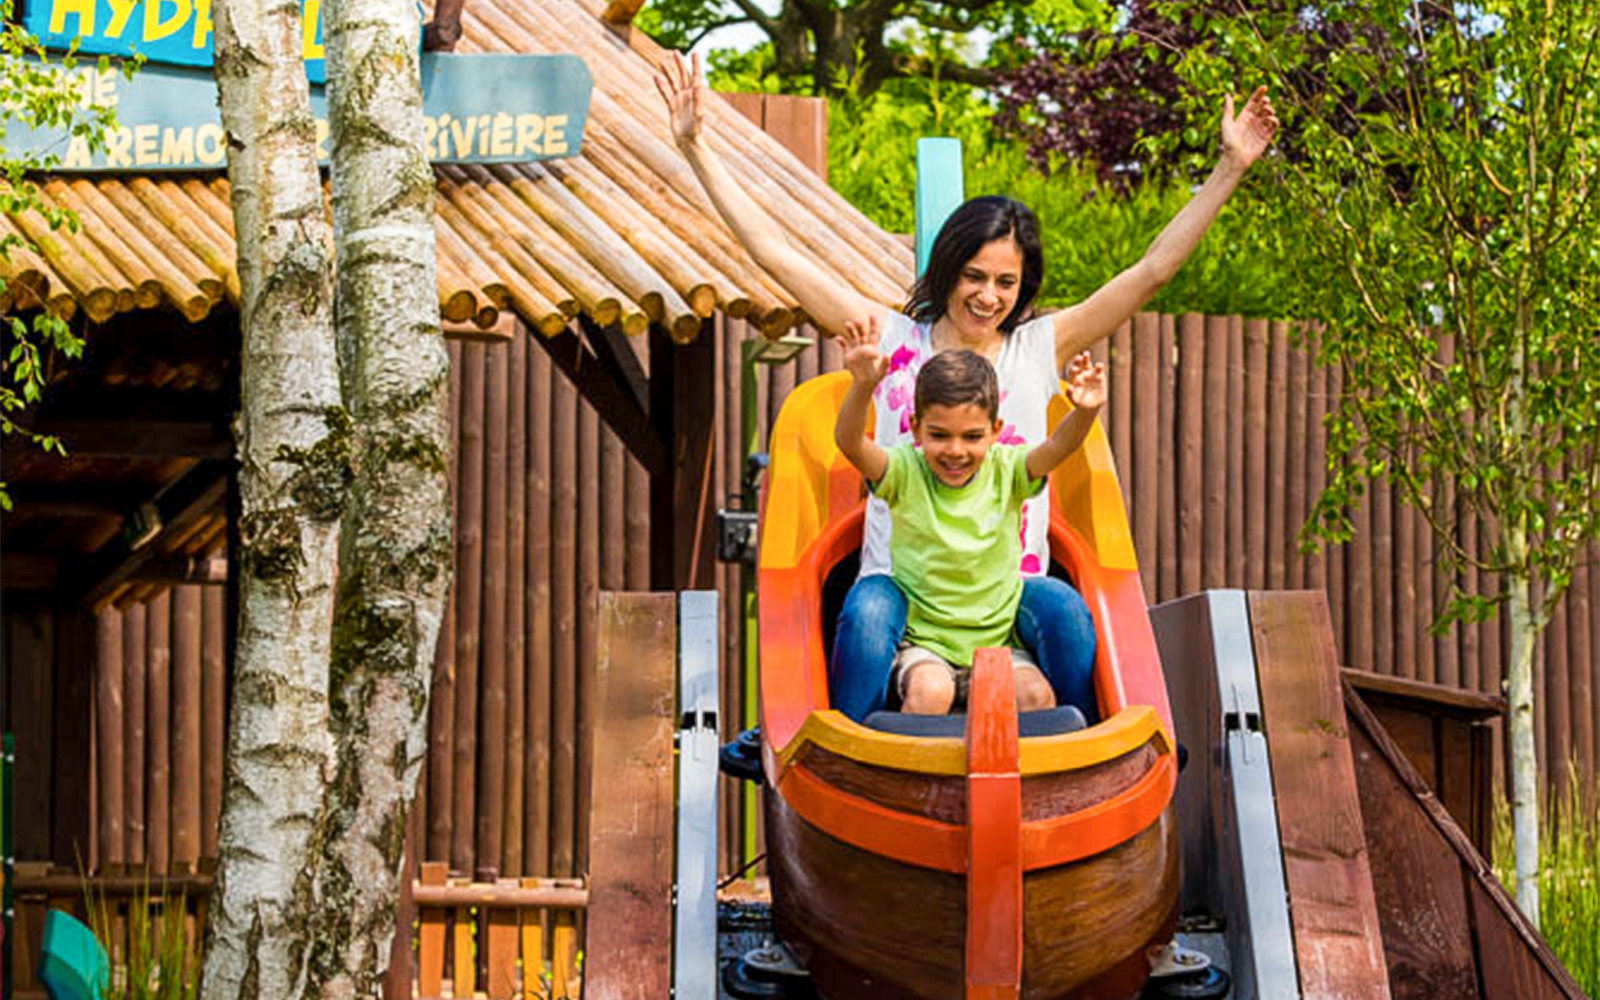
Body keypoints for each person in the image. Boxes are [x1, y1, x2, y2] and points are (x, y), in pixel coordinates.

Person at [654, 52, 1279, 722]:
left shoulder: (1038, 349)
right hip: (906, 584)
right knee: (866, 616)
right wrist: (695, 148)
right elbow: (776, 255)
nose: (988, 296)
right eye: (974, 276)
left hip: (1006, 590)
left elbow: (1151, 271)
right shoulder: (894, 342)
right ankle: (844, 743)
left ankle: (1079, 744)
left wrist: (1230, 169)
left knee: (1067, 612)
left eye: (1006, 283)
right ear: (949, 268)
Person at [835, 321, 1106, 714]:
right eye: (939, 435)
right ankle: (882, 750)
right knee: (931, 694)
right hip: (926, 643)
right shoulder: (904, 470)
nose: (956, 450)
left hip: (999, 641)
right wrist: (862, 386)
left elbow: (1057, 447)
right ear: (916, 429)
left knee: (1037, 697)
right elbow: (850, 443)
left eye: (972, 436)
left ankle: (1073, 742)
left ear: (995, 431)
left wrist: (1085, 412)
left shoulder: (1009, 469)